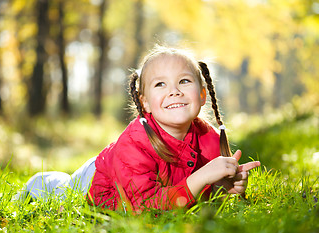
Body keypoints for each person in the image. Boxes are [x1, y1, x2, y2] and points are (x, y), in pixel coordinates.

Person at [20, 45, 260, 212]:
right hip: (97, 180)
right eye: (160, 84)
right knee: (61, 190)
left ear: (202, 94)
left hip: (129, 175)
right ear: (144, 102)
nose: (174, 90)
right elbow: (143, 208)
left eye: (184, 81)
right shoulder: (135, 143)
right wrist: (201, 178)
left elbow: (196, 197)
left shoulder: (207, 139)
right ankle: (40, 182)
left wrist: (222, 185)